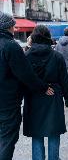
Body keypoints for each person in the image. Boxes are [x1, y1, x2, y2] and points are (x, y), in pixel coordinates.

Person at [0, 12, 53, 160]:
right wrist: (42, 87)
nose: (15, 29)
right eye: (13, 26)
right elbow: (25, 74)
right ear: (9, 27)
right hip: (7, 103)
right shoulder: (10, 45)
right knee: (7, 140)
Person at [23, 25, 68, 160]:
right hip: (53, 97)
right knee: (53, 132)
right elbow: (64, 80)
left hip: (33, 97)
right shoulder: (57, 56)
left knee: (37, 133)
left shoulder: (26, 56)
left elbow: (23, 78)